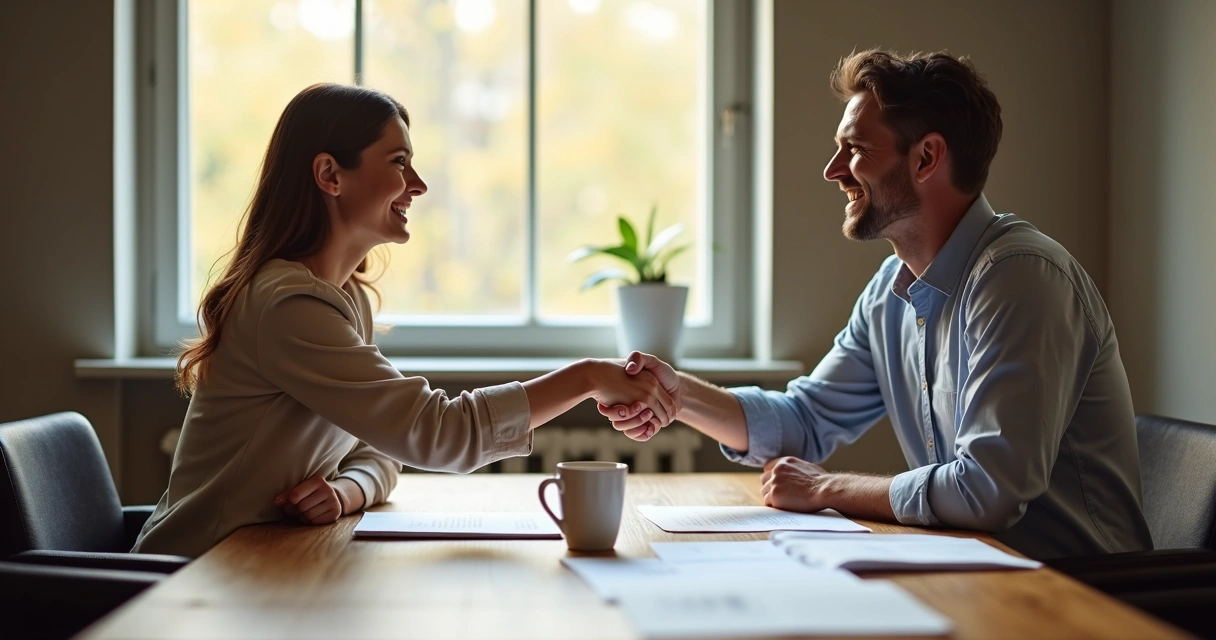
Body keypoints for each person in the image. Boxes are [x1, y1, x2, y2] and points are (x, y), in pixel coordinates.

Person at [603, 49, 1152, 560]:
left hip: (1086, 594)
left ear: (926, 158)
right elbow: (806, 421)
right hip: (974, 571)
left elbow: (988, 492)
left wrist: (826, 488)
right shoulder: (893, 289)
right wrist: (678, 395)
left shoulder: (1020, 279)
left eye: (856, 150)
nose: (833, 170)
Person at [134, 84, 678, 558]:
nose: (416, 184)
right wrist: (585, 377)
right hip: (190, 576)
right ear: (330, 175)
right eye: (398, 162)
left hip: (254, 567)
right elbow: (435, 434)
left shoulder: (345, 297)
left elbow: (378, 451)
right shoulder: (288, 307)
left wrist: (346, 491)